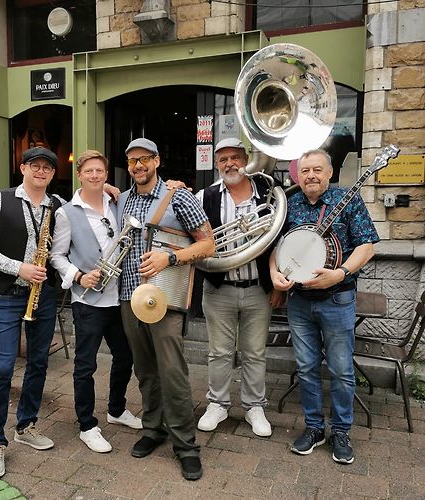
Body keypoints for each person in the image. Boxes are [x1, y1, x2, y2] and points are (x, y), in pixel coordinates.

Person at [269, 149, 379, 464]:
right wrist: (274, 273)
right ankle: (314, 428)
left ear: (329, 173)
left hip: (338, 298)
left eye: (317, 169)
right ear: (297, 175)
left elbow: (366, 245)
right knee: (305, 368)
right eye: (305, 171)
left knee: (342, 371)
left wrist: (340, 274)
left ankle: (341, 432)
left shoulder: (347, 199)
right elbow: (275, 247)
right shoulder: (290, 205)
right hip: (300, 301)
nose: (311, 176)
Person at [117, 138, 214, 481]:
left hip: (165, 300)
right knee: (145, 370)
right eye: (132, 161)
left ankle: (186, 446)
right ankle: (153, 428)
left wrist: (169, 257)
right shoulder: (123, 199)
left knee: (172, 372)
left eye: (144, 159)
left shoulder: (179, 196)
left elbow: (208, 244)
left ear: (157, 160)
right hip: (129, 298)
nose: (138, 166)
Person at [0, 147, 64, 479]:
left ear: (53, 174)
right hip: (7, 295)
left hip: (44, 297)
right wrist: (19, 268)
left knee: (39, 363)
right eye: (35, 166)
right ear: (23, 168)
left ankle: (25, 426)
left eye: (47, 168)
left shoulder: (59, 205)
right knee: (2, 368)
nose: (41, 171)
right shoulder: (0, 198)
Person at [50, 149, 141, 454]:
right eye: (88, 171)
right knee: (85, 365)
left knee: (125, 356)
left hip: (119, 297)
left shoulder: (116, 202)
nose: (94, 176)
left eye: (99, 171)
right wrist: (78, 276)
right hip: (88, 301)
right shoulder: (66, 213)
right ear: (80, 175)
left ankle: (116, 410)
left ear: (106, 174)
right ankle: (87, 425)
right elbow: (57, 256)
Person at [195, 137, 283, 437]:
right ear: (216, 163)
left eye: (235, 157)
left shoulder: (267, 194)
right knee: (219, 352)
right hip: (219, 288)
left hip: (258, 287)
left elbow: (276, 241)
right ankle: (217, 404)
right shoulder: (202, 196)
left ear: (246, 158)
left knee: (255, 352)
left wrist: (277, 284)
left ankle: (254, 406)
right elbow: (183, 231)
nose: (229, 164)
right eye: (223, 159)